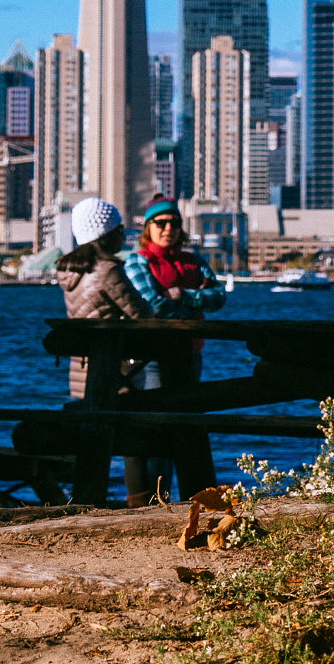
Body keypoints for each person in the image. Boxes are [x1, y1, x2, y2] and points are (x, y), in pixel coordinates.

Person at [123, 199, 226, 504]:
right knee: (158, 423)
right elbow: (150, 303)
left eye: (174, 223)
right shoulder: (138, 261)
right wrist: (196, 300)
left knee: (187, 421)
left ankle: (193, 498)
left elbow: (219, 297)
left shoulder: (193, 260)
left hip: (191, 352)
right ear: (148, 228)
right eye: (160, 223)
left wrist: (182, 295)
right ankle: (158, 500)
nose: (168, 228)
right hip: (152, 357)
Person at [53, 197, 148, 400]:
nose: (123, 234)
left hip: (81, 367)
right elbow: (141, 312)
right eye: (119, 228)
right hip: (114, 371)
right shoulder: (107, 270)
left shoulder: (69, 269)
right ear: (106, 233)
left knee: (87, 423)